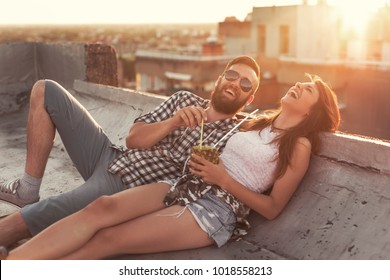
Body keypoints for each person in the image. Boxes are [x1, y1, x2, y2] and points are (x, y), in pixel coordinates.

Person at [1, 74, 340, 259]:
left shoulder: (298, 145)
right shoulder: (255, 122)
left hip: (215, 206)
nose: (298, 85)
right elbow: (138, 137)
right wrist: (181, 126)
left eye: (307, 88)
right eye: (301, 82)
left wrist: (223, 177)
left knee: (111, 238)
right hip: (184, 185)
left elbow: (273, 208)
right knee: (100, 208)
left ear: (312, 110)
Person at [0, 55, 261, 248]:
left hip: (126, 184)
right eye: (232, 75)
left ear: (249, 100)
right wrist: (173, 122)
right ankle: (27, 190)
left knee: (20, 223)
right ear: (220, 79)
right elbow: (134, 139)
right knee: (46, 90)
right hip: (113, 156)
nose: (236, 83)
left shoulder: (236, 136)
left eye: (246, 84)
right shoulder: (184, 100)